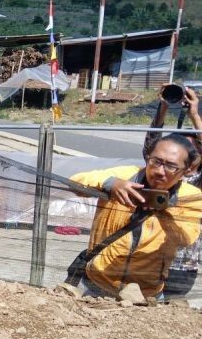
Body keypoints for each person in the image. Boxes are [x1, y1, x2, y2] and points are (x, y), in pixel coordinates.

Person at [70, 133, 202, 299]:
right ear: (148, 158)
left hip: (146, 293)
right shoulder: (125, 176)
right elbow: (74, 182)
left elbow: (186, 238)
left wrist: (164, 209)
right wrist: (110, 184)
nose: (160, 171)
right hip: (97, 282)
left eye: (171, 166)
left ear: (186, 171)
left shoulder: (191, 197)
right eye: (156, 161)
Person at [142, 84, 202, 298]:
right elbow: (152, 143)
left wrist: (194, 114)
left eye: (191, 149)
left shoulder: (197, 180)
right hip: (150, 256)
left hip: (182, 265)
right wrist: (164, 106)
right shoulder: (160, 172)